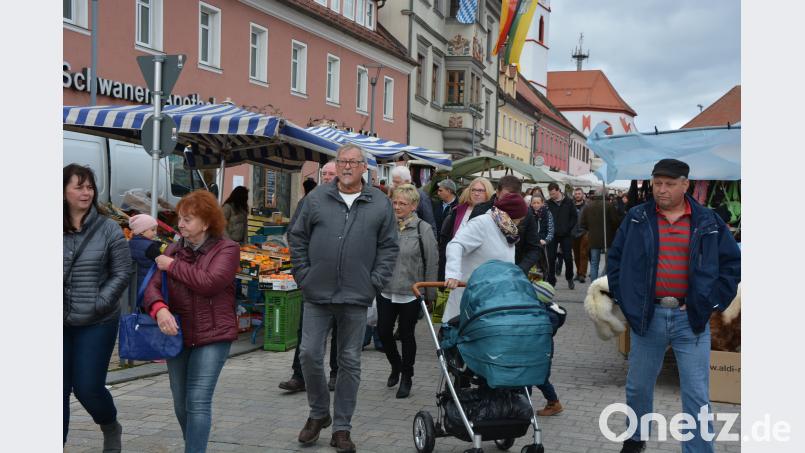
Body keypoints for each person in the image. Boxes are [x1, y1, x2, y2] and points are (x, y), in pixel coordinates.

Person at [607, 159, 740, 453]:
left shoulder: (708, 221)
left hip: (690, 319)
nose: (661, 190)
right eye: (657, 183)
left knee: (696, 393)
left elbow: (731, 264)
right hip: (647, 317)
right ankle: (635, 440)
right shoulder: (637, 218)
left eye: (668, 184)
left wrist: (712, 302)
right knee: (638, 387)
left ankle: (698, 450)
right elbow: (615, 260)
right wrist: (625, 298)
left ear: (685, 184)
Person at [289, 144, 399, 453]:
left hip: (356, 294)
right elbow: (297, 236)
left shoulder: (380, 203)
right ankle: (319, 412)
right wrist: (304, 275)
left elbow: (390, 246)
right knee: (309, 354)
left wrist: (374, 282)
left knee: (349, 361)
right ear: (336, 166)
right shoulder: (317, 198)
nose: (347, 166)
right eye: (342, 161)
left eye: (353, 162)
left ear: (365, 168)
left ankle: (342, 428)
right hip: (317, 292)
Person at [143, 190, 241, 453]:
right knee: (180, 401)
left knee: (197, 401)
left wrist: (172, 266)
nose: (180, 224)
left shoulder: (228, 249)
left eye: (188, 219)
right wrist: (160, 308)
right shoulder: (175, 248)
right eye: (180, 219)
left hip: (213, 335)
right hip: (178, 334)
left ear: (206, 223)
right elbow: (151, 287)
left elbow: (209, 283)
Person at [64, 164, 133, 452]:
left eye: (89, 186)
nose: (86, 192)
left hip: (97, 321)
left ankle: (110, 424)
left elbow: (122, 271)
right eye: (79, 186)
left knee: (88, 387)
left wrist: (100, 302)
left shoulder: (108, 228)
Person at [281, 161, 340, 394]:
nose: (327, 177)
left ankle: (336, 372)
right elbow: (294, 234)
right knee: (305, 329)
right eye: (324, 173)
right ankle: (300, 375)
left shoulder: (351, 201)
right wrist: (301, 270)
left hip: (343, 278)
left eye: (331, 174)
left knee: (339, 329)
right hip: (314, 276)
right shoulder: (310, 200)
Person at [377, 184, 438, 398]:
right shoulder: (386, 226)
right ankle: (396, 364)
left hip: (411, 291)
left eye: (402, 203)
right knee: (383, 332)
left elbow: (432, 262)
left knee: (406, 334)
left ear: (414, 206)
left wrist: (429, 295)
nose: (397, 207)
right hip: (386, 289)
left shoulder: (423, 229)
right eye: (394, 202)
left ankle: (407, 376)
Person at [443, 192, 529, 321]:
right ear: (511, 215)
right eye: (519, 218)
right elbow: (456, 244)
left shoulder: (508, 231)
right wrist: (453, 274)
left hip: (493, 299)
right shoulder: (482, 223)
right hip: (470, 296)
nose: (520, 222)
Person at [468, 175, 542, 277]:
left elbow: (535, 248)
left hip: (513, 274)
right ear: (497, 193)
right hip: (483, 273)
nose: (510, 201)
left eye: (514, 197)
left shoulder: (526, 214)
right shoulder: (481, 210)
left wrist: (520, 269)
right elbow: (466, 243)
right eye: (506, 196)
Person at [437, 177, 494, 281]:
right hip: (457, 265)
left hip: (481, 267)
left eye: (481, 190)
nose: (476, 193)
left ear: (488, 192)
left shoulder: (494, 213)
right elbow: (446, 239)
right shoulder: (458, 211)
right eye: (474, 190)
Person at [580, 190, 620, 281]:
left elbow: (582, 223)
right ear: (605, 195)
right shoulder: (609, 205)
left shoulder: (588, 206)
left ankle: (594, 285)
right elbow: (616, 222)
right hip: (608, 238)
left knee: (594, 263)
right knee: (609, 262)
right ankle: (604, 280)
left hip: (593, 238)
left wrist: (590, 230)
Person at [390, 165, 437, 236]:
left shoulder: (421, 196)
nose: (394, 185)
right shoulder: (394, 194)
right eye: (393, 181)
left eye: (397, 182)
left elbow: (430, 223)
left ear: (407, 181)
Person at [546, 182, 577, 289]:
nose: (552, 196)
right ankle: (551, 280)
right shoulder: (548, 203)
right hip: (552, 234)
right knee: (551, 258)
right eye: (550, 194)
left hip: (566, 234)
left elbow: (574, 217)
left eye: (553, 194)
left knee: (568, 258)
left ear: (558, 190)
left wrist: (568, 228)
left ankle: (569, 277)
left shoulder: (568, 202)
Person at [127, 213, 164, 292]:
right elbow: (162, 261)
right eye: (152, 230)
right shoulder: (150, 247)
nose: (155, 233)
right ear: (142, 231)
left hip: (135, 283)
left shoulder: (130, 243)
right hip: (149, 283)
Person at [530, 194, 555, 276]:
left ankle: (547, 281)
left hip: (544, 244)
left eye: (538, 203)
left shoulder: (548, 214)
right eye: (534, 203)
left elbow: (551, 229)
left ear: (542, 203)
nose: (536, 205)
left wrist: (546, 240)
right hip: (532, 244)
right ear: (531, 204)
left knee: (545, 266)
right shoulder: (528, 214)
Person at [570, 187, 589, 283]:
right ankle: (578, 272)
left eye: (579, 193)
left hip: (584, 232)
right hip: (573, 232)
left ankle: (582, 274)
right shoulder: (571, 205)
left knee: (583, 253)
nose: (577, 195)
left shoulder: (587, 206)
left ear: (582, 195)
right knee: (576, 254)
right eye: (576, 194)